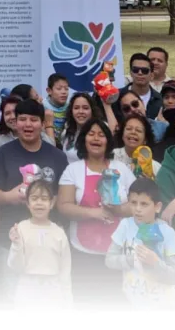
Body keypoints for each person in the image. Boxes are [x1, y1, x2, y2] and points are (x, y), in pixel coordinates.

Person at [0, 99, 69, 294]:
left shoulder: (57, 156)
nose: (27, 124)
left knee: (47, 299)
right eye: (22, 119)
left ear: (43, 124)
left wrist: (45, 201)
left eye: (34, 120)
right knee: (13, 296)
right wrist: (10, 196)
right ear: (15, 123)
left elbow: (64, 196)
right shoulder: (3, 153)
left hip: (47, 241)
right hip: (11, 238)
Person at [57, 119, 135, 304]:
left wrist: (118, 209)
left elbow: (138, 204)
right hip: (83, 254)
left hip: (118, 255)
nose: (96, 138)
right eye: (91, 134)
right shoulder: (73, 170)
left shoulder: (121, 169)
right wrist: (95, 213)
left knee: (117, 304)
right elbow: (63, 206)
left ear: (108, 141)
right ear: (83, 139)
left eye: (101, 135)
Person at [105, 178, 175, 308]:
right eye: (133, 203)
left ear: (157, 207)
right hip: (130, 302)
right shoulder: (125, 225)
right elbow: (109, 260)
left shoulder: (167, 232)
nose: (138, 209)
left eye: (144, 204)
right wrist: (131, 259)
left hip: (161, 304)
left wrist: (155, 263)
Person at [6, 179, 73, 308]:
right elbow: (15, 266)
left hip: (53, 290)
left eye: (44, 199)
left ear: (52, 203)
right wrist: (16, 244)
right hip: (27, 288)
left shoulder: (59, 232)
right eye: (34, 198)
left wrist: (68, 301)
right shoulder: (21, 228)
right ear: (27, 203)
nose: (39, 203)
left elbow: (65, 270)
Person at [117, 52, 163, 122]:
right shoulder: (116, 97)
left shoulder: (160, 100)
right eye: (135, 70)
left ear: (152, 75)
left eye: (145, 70)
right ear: (131, 73)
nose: (140, 73)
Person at [59, 92, 103, 164]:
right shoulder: (66, 133)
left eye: (85, 108)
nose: (81, 111)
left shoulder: (100, 133)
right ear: (71, 111)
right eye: (76, 108)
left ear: (92, 110)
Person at [44, 74, 71, 143]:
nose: (64, 92)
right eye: (59, 89)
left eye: (66, 89)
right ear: (49, 91)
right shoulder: (42, 106)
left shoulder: (70, 107)